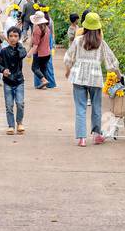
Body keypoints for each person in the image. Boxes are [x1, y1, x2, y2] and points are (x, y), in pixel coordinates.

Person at [63, 12, 119, 146]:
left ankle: (82, 138)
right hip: (95, 78)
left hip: (78, 77)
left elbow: (68, 58)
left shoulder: (78, 41)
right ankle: (97, 135)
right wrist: (118, 74)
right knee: (96, 107)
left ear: (85, 27)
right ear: (98, 28)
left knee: (81, 108)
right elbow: (111, 61)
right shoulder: (101, 42)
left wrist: (68, 71)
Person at [0, 27, 27, 135]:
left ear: (19, 38)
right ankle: (10, 125)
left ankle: (19, 122)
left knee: (20, 103)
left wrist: (19, 45)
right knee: (9, 105)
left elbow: (22, 55)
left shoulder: (21, 49)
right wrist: (3, 70)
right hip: (8, 81)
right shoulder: (4, 51)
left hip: (19, 81)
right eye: (10, 36)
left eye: (15, 36)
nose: (13, 38)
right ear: (7, 37)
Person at [29, 10, 52, 90]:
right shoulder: (47, 28)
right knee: (43, 69)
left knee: (34, 68)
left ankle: (44, 81)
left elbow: (35, 45)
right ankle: (44, 85)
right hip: (47, 53)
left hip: (39, 53)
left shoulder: (37, 29)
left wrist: (29, 53)